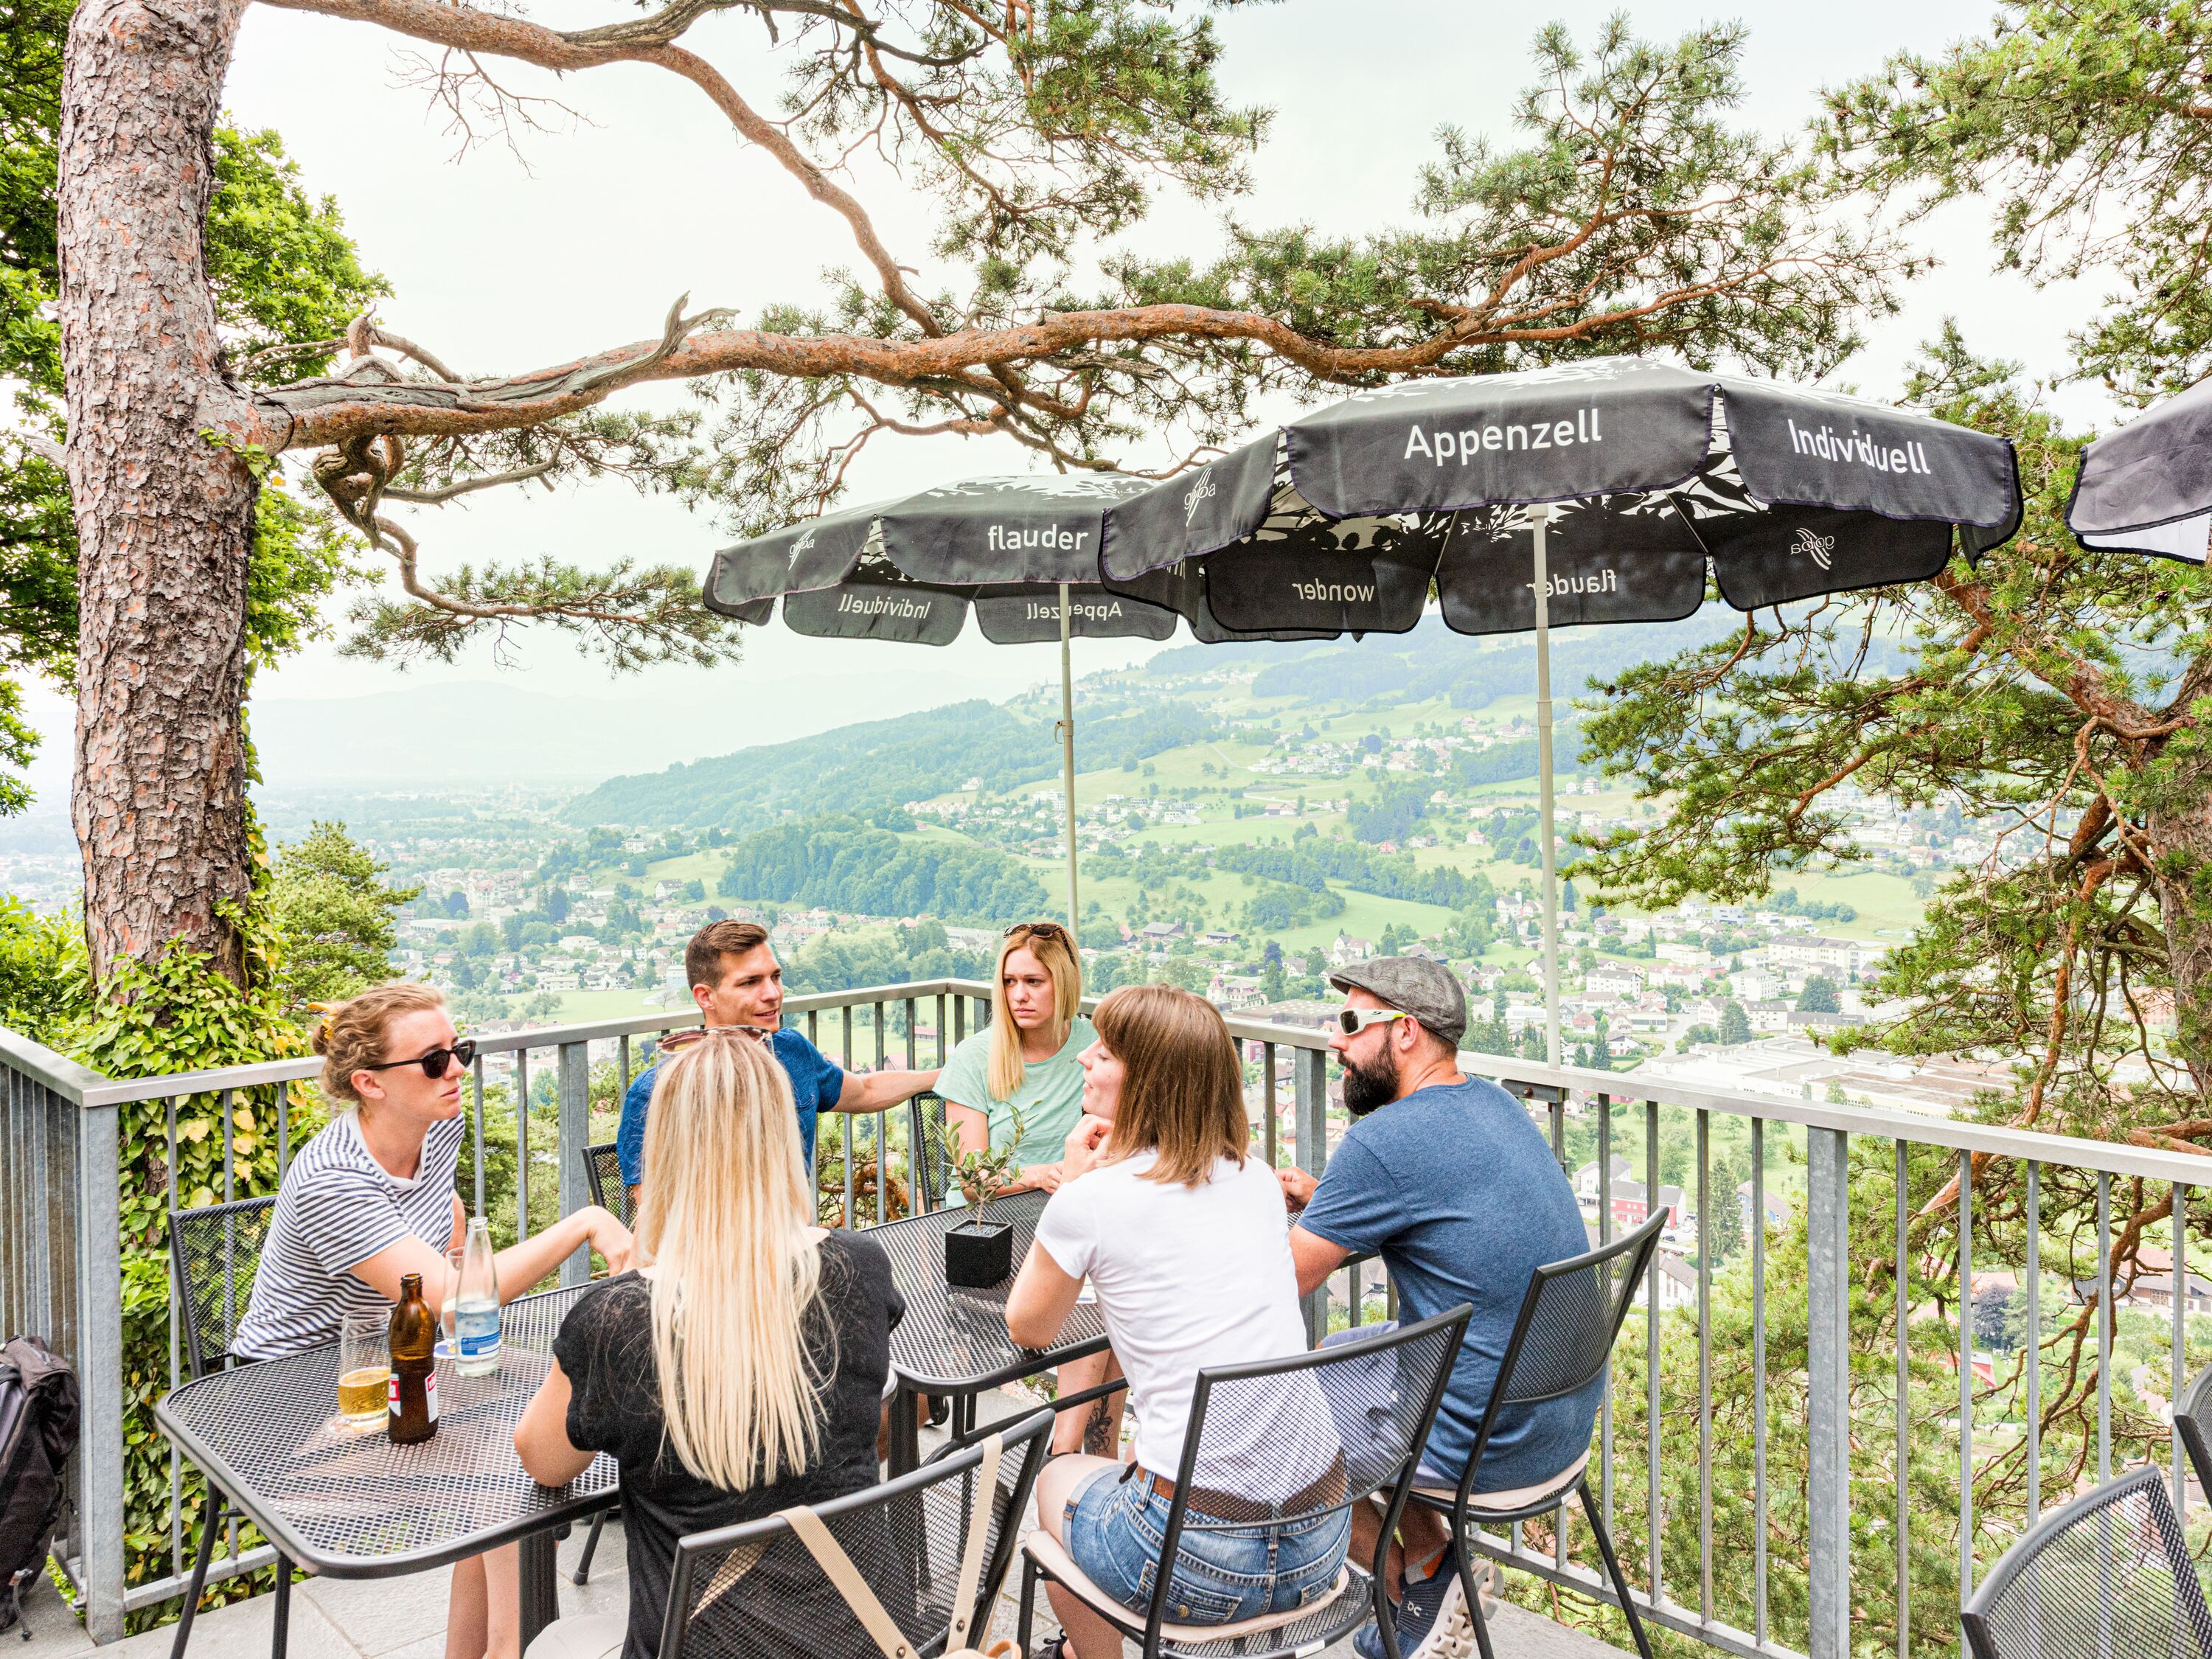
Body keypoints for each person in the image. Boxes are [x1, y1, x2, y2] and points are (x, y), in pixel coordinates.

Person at [233, 981, 635, 1659]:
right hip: (286, 1399)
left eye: (461, 1051)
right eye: (433, 1061)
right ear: (370, 1083)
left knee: (528, 1431)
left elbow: (444, 1234)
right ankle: (510, 1650)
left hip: (401, 1363)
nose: (456, 1072)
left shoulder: (436, 1129)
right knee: (503, 1465)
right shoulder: (333, 1177)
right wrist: (586, 1221)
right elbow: (454, 1297)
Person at [515, 1029, 905, 1659]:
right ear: (783, 1138)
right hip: (868, 1637)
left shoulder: (617, 1320)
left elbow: (544, 1462)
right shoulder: (859, 1268)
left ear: (662, 1152)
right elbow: (865, 1435)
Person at [1006, 985, 1348, 1659]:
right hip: (1322, 1539)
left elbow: (1030, 1327)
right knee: (1142, 1458)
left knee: (1055, 1480)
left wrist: (1078, 1183)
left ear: (1145, 1082)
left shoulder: (1092, 1202)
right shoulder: (1252, 1179)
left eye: (1103, 1053)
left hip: (1203, 1566)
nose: (1086, 1061)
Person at [1277, 958, 1599, 1659]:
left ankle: (1415, 1587)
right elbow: (1447, 1211)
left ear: (1407, 1034)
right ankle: (1429, 1571)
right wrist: (1332, 1200)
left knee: (1271, 1422)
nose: (1336, 1041)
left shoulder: (1384, 1142)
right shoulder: (1494, 1103)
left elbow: (1274, 1283)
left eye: (1353, 1024)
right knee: (1337, 1357)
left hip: (1487, 1443)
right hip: (1558, 1420)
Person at [938, 921, 1115, 1455]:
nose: (1020, 995)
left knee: (1118, 1290)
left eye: (1035, 982)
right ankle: (1069, 1450)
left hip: (1067, 1215)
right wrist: (1039, 1174)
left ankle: (1093, 1451)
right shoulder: (976, 1057)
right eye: (1011, 982)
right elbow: (971, 1179)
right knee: (1091, 1304)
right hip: (988, 1231)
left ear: (1064, 984)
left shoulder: (1093, 1048)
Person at [615, 919, 939, 1208]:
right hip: (713, 1262)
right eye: (750, 982)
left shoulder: (791, 1051)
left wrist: (941, 1076)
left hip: (796, 1244)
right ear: (705, 996)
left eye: (776, 977)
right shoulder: (659, 1089)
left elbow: (865, 1091)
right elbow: (657, 1213)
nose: (772, 994)